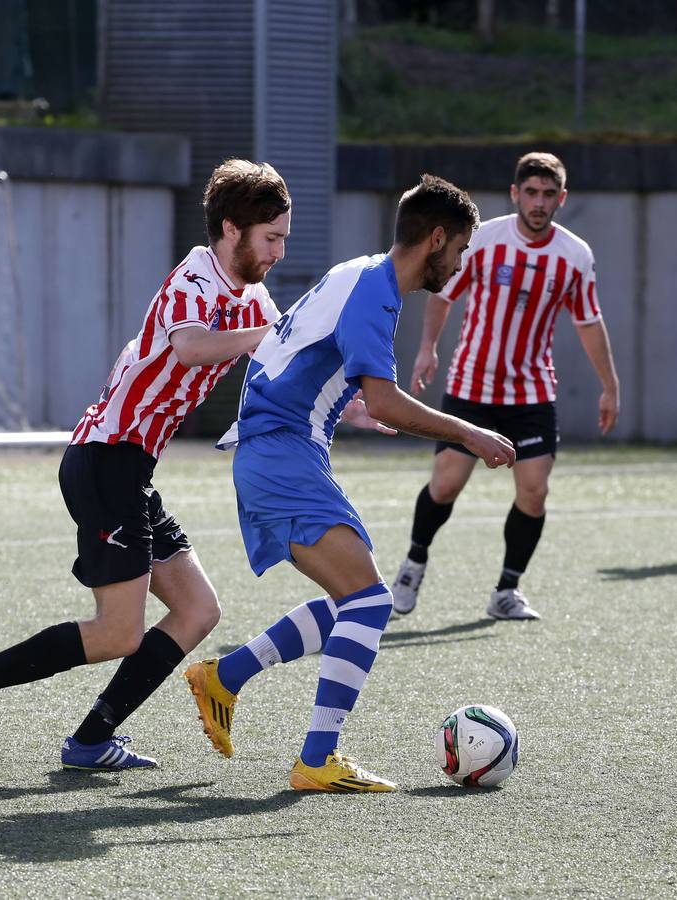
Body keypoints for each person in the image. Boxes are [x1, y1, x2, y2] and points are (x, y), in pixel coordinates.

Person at [0, 159, 300, 772]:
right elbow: (190, 346)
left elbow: (286, 363)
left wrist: (356, 403)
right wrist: (260, 338)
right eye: (271, 238)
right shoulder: (194, 279)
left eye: (283, 238)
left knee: (199, 611)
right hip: (104, 461)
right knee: (119, 631)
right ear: (232, 229)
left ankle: (91, 739)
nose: (279, 251)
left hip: (131, 469)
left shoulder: (253, 299)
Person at [182, 174, 515, 793]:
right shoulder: (376, 295)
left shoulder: (359, 272)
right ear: (436, 239)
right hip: (282, 453)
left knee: (351, 602)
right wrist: (470, 434)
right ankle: (316, 760)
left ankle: (223, 678)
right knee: (370, 602)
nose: (462, 263)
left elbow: (301, 359)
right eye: (462, 248)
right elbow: (387, 401)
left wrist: (349, 406)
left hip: (278, 450)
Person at [386, 152, 620, 621]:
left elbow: (590, 323)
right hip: (472, 384)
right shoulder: (485, 240)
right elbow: (444, 294)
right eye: (530, 192)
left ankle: (506, 591)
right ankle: (413, 564)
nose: (539, 202)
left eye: (548, 194)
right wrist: (427, 348)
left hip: (533, 391)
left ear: (562, 199)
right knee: (446, 484)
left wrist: (610, 386)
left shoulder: (575, 255)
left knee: (534, 492)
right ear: (515, 194)